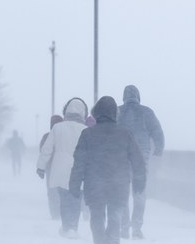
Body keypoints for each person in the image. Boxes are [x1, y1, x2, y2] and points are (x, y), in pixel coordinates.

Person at [69, 96, 146, 244]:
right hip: (118, 184)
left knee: (96, 217)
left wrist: (74, 184)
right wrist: (139, 181)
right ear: (115, 114)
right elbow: (138, 161)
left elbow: (79, 162)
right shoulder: (125, 134)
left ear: (96, 113)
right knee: (115, 218)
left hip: (94, 184)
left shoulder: (87, 134)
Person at [36, 98, 88, 238]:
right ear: (83, 113)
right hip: (78, 170)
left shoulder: (57, 128)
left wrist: (41, 167)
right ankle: (73, 227)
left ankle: (66, 227)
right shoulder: (85, 130)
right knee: (76, 199)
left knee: (64, 199)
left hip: (60, 169)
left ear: (66, 111)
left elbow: (47, 149)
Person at [118, 85, 165, 239]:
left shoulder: (118, 112)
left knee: (123, 193)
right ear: (138, 97)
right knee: (139, 192)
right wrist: (158, 149)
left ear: (124, 97)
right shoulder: (147, 112)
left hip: (122, 156)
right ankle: (137, 228)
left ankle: (124, 228)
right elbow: (158, 132)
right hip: (140, 156)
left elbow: (109, 131)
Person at [38, 115, 64, 219]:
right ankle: (62, 212)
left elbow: (42, 151)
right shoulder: (65, 135)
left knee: (52, 191)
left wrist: (42, 167)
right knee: (63, 190)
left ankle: (55, 213)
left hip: (50, 168)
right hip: (63, 167)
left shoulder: (46, 136)